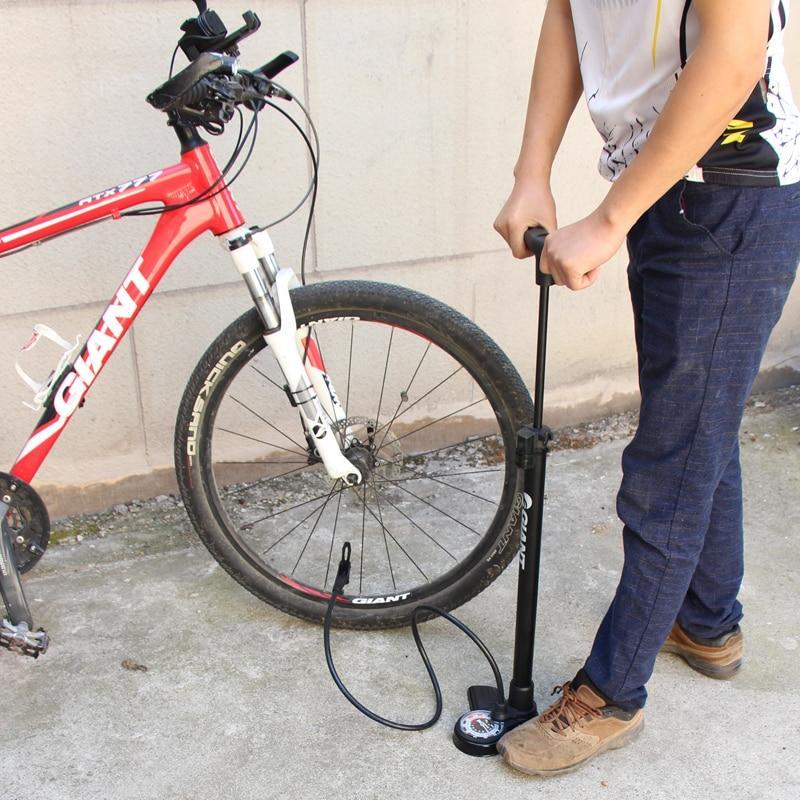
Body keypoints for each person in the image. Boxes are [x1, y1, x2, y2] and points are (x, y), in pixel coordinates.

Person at [493, 0, 800, 777]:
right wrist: (533, 172)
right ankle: (706, 622)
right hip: (668, 185)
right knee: (700, 425)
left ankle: (613, 693)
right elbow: (572, 12)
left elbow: (735, 59)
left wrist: (608, 219)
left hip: (732, 195)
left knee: (672, 467)